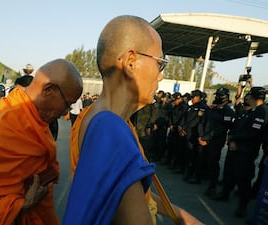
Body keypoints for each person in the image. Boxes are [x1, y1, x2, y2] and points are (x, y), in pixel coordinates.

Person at [64, 15, 203, 225]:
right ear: (130, 62)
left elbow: (134, 194)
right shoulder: (110, 130)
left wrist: (179, 216)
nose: (161, 76)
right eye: (160, 63)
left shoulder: (99, 119)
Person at [0, 59, 83, 225]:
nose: (65, 112)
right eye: (67, 104)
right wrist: (22, 206)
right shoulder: (0, 126)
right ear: (48, 90)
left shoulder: (35, 119)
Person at [214, 87, 268, 218]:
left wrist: (235, 139)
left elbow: (253, 133)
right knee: (230, 172)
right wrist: (232, 138)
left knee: (243, 178)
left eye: (249, 95)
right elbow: (238, 126)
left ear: (253, 96)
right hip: (236, 149)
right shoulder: (250, 111)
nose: (247, 97)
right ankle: (225, 193)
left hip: (246, 151)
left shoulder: (262, 111)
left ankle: (242, 207)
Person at [199, 87, 235, 198]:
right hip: (205, 138)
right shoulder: (212, 109)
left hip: (215, 141)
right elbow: (203, 121)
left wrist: (207, 138)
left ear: (226, 97)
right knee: (205, 161)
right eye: (217, 95)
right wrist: (201, 136)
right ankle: (204, 179)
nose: (217, 97)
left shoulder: (228, 111)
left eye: (220, 95)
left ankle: (212, 186)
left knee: (213, 163)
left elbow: (223, 128)